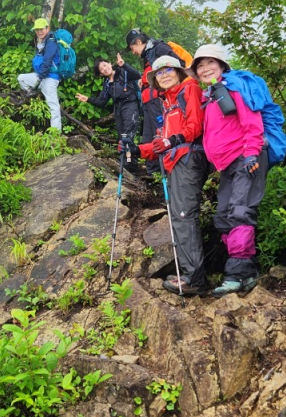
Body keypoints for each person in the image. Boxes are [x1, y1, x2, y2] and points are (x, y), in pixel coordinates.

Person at [128, 55, 210, 296]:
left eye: (168, 71)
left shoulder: (189, 89)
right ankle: (188, 273)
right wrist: (137, 150)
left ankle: (194, 278)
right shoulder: (167, 102)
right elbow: (160, 144)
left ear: (178, 72)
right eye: (159, 73)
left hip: (189, 159)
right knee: (178, 216)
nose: (163, 75)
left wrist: (173, 140)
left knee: (184, 216)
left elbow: (195, 126)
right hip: (175, 162)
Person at [190, 44, 266, 296]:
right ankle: (249, 270)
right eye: (200, 65)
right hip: (227, 166)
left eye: (210, 63)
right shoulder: (211, 95)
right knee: (223, 215)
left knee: (240, 212)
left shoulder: (233, 88)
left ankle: (237, 274)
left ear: (222, 66)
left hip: (246, 158)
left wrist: (252, 153)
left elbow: (252, 121)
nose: (204, 69)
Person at [125, 29, 182, 174]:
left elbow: (179, 64)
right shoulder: (149, 54)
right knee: (148, 135)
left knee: (160, 132)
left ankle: (164, 169)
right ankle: (153, 171)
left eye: (132, 48)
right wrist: (144, 83)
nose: (133, 52)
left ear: (138, 42)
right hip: (149, 101)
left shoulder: (159, 48)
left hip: (158, 100)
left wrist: (161, 87)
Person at [76, 53, 142, 173]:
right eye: (102, 69)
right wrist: (88, 99)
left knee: (128, 136)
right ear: (101, 74)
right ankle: (127, 164)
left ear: (110, 64)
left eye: (105, 65)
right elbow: (102, 102)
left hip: (130, 106)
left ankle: (130, 166)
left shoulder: (123, 72)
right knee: (122, 137)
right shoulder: (107, 84)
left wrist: (124, 65)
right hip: (118, 109)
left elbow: (137, 75)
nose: (105, 69)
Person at [17, 18, 62, 131]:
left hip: (50, 78)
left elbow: (47, 62)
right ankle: (34, 96)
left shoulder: (51, 42)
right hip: (41, 76)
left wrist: (39, 80)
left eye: (41, 29)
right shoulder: (43, 42)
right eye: (37, 30)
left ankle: (56, 133)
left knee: (54, 106)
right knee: (21, 78)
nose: (39, 32)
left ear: (47, 28)